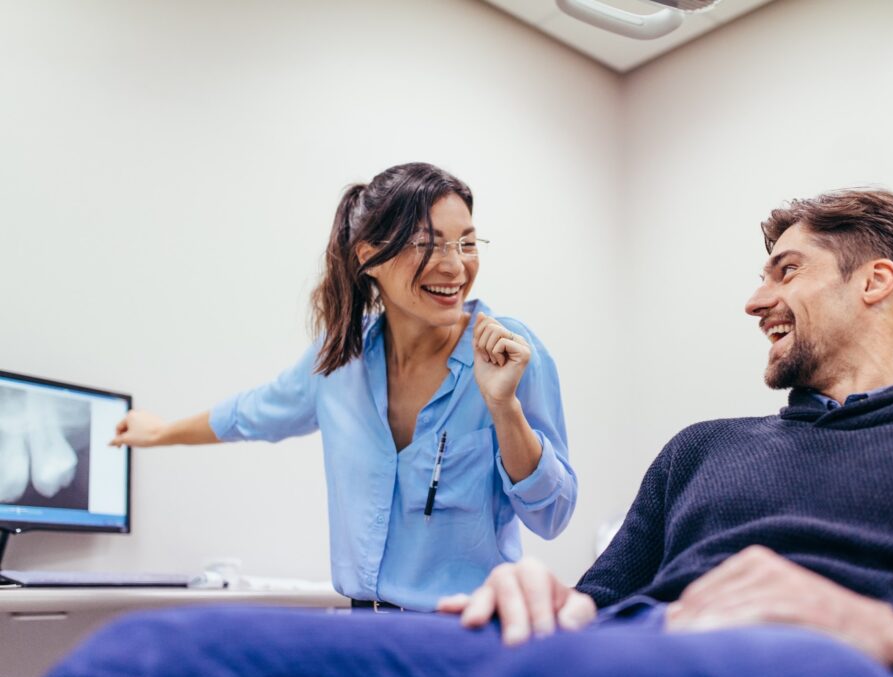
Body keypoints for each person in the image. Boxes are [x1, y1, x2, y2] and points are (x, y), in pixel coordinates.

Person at [45, 189, 893, 677]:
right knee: (153, 655)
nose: (753, 298)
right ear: (375, 264)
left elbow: (550, 503)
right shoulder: (705, 447)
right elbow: (597, 595)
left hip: (803, 662)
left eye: (783, 270)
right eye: (429, 246)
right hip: (532, 643)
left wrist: (883, 627)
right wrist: (544, 592)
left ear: (876, 282)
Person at [108, 162, 577, 611]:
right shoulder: (339, 360)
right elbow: (250, 413)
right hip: (364, 628)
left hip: (467, 636)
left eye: (467, 244)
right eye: (427, 244)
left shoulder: (507, 353)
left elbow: (551, 516)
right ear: (369, 255)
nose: (454, 267)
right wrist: (161, 432)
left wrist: (504, 407)